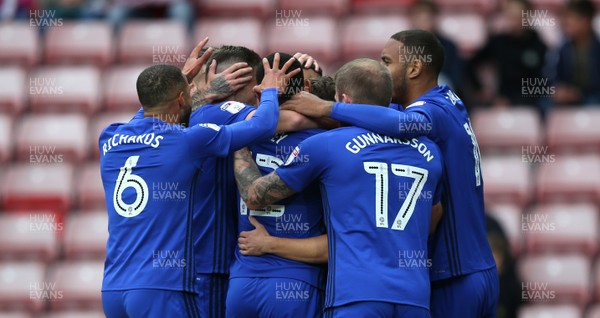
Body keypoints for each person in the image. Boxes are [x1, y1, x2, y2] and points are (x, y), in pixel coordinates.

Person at [282, 30, 499, 318]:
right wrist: (314, 78)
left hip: (455, 273)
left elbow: (397, 123)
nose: (379, 70)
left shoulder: (428, 112)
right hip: (473, 269)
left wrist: (326, 106)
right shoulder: (444, 101)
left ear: (414, 68)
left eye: (386, 62)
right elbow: (364, 107)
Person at [99, 41, 298, 317]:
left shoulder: (110, 136)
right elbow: (263, 124)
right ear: (181, 98)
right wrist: (271, 90)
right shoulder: (186, 141)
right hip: (161, 288)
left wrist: (191, 83)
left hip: (113, 288)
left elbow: (148, 111)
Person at [234, 58, 444, 317]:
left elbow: (255, 196)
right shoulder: (430, 151)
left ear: (343, 100)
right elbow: (434, 217)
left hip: (355, 295)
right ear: (389, 97)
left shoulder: (326, 145)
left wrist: (239, 142)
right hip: (415, 296)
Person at [187, 48, 320, 317]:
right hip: (229, 269)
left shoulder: (201, 116)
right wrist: (319, 96)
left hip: (236, 273)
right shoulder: (322, 138)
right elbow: (289, 118)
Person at [225, 53, 329, 318]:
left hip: (242, 282)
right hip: (295, 281)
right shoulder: (327, 139)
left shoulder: (233, 131)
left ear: (258, 90)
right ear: (306, 90)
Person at [467, 0, 547, 111]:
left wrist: (515, 100)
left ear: (528, 15)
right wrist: (480, 89)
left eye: (519, 15)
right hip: (501, 98)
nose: (515, 20)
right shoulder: (498, 42)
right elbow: (471, 64)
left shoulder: (539, 45)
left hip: (531, 101)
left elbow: (543, 83)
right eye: (511, 16)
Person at [552, 0, 600, 105]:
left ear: (585, 21)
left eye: (570, 18)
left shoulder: (597, 48)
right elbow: (556, 77)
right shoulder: (564, 48)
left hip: (594, 96)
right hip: (570, 98)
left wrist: (580, 93)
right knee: (546, 104)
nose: (565, 23)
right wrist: (561, 90)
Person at [409, 0, 464, 93]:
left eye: (427, 18)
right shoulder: (403, 46)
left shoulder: (449, 46)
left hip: (440, 93)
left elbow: (455, 78)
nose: (423, 23)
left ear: (434, 19)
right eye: (420, 18)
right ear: (413, 19)